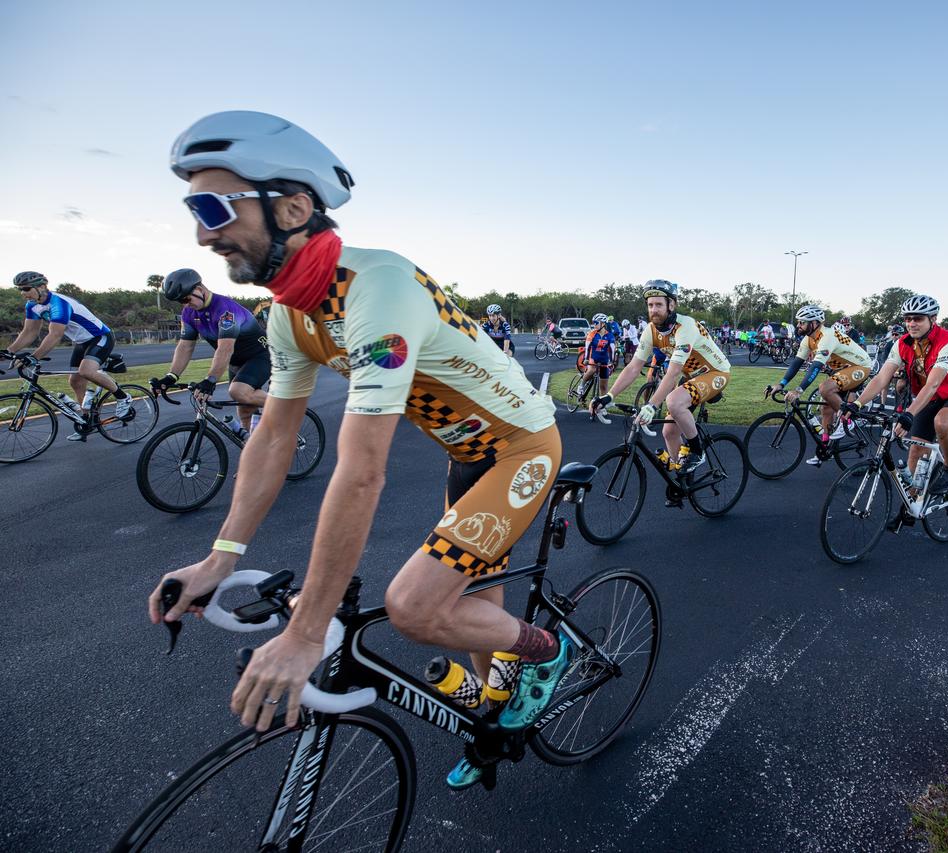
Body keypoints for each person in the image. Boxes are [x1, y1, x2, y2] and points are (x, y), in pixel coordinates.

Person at [147, 111, 565, 791]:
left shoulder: (379, 287)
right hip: (466, 454)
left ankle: (546, 652)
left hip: (521, 448)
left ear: (293, 208)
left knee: (416, 608)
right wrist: (221, 556)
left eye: (213, 208)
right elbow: (274, 436)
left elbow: (362, 470)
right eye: (193, 211)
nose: (202, 233)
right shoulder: (290, 315)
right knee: (467, 609)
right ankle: (495, 714)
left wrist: (307, 631)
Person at [591, 280, 730, 499]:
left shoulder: (685, 327)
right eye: (650, 305)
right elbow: (634, 367)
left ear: (671, 305)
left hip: (715, 372)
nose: (653, 310)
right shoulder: (650, 330)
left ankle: (697, 451)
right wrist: (608, 396)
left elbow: (672, 372)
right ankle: (683, 481)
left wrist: (651, 405)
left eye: (658, 305)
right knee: (669, 432)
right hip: (690, 376)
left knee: (674, 401)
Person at [850, 294, 948, 496]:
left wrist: (909, 413)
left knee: (942, 423)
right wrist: (857, 404)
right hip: (931, 396)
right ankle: (911, 505)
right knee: (916, 451)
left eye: (918, 318)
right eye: (908, 318)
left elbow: (933, 383)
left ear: (933, 319)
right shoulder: (902, 343)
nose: (911, 323)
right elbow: (882, 378)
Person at [4, 271, 133, 439]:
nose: (23, 293)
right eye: (20, 289)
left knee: (86, 371)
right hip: (81, 342)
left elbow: (55, 334)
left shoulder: (59, 303)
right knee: (75, 381)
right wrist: (9, 351)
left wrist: (34, 357)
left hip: (100, 337)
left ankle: (123, 397)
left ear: (41, 287)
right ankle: (86, 420)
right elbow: (29, 332)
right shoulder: (32, 305)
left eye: (26, 288)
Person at [154, 268, 270, 434]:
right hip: (236, 362)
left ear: (199, 289)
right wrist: (171, 376)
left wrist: (211, 380)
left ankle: (285, 405)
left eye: (186, 299)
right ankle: (255, 445)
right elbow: (185, 346)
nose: (185, 304)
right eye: (181, 301)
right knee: (245, 410)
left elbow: (225, 348)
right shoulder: (189, 313)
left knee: (238, 392)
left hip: (260, 355)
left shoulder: (225, 309)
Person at [765, 305, 874, 465]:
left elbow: (815, 366)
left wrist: (799, 390)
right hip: (843, 369)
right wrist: (781, 384)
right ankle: (825, 449)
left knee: (825, 388)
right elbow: (796, 363)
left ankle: (848, 421)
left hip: (860, 366)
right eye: (798, 322)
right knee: (826, 409)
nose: (798, 325)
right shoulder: (808, 339)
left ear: (814, 323)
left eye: (802, 322)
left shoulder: (827, 336)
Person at [577, 313, 615, 412]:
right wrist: (586, 359)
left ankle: (602, 407)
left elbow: (612, 349)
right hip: (593, 357)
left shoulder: (609, 335)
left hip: (604, 360)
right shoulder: (592, 334)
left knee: (604, 386)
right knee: (591, 370)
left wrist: (612, 362)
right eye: (594, 322)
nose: (594, 325)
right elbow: (587, 347)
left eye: (596, 323)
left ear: (603, 323)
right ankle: (581, 386)